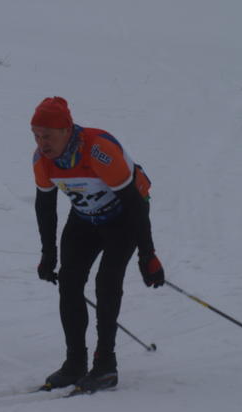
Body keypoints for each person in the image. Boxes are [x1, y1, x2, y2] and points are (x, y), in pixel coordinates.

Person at [31, 96, 164, 392]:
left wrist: (148, 255)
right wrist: (48, 254)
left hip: (125, 217)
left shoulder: (98, 150)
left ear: (66, 130)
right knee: (69, 283)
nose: (41, 143)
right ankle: (75, 363)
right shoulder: (42, 160)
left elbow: (135, 204)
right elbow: (45, 207)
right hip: (85, 218)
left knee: (106, 284)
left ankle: (105, 366)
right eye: (36, 136)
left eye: (47, 136)